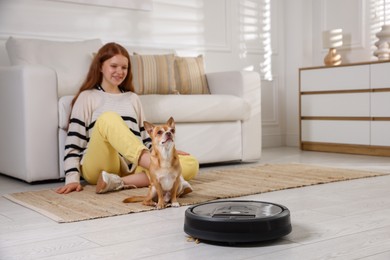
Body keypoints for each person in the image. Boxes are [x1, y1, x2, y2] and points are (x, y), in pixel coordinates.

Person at [55, 42, 199, 194]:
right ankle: (165, 175)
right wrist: (72, 179)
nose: (120, 71)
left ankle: (118, 182)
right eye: (114, 66)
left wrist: (168, 151)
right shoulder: (87, 97)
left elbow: (146, 140)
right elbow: (73, 145)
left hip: (131, 169)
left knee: (191, 163)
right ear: (100, 67)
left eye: (124, 67)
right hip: (100, 165)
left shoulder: (132, 99)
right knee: (108, 118)